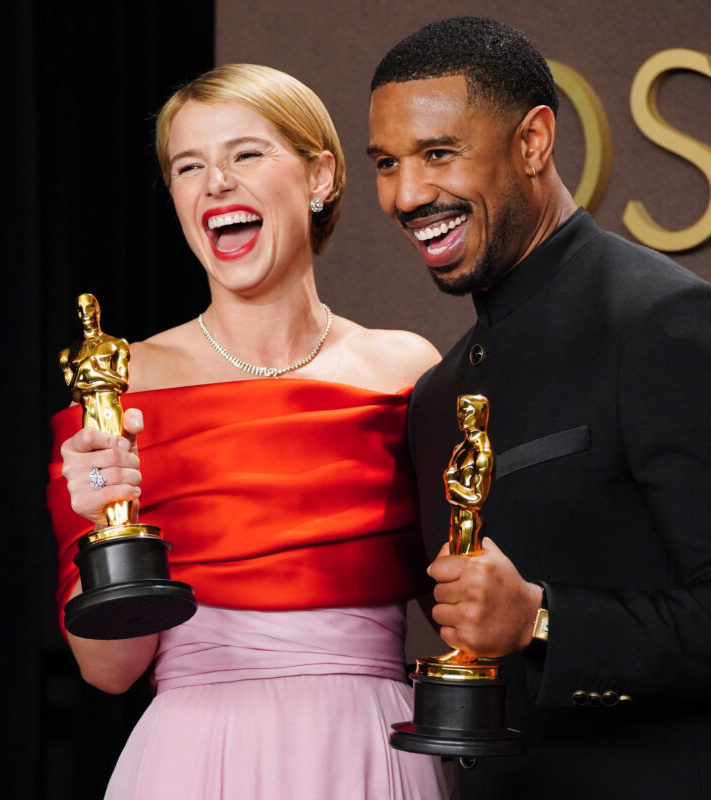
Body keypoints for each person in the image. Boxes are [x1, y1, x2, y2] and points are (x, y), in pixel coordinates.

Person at [366, 17, 711, 800]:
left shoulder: (671, 325)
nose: (407, 195)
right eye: (387, 163)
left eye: (439, 153)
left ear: (533, 142)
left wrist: (541, 619)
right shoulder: (438, 396)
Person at [46, 63, 446, 799]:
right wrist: (102, 515)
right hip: (197, 760)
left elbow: (468, 615)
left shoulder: (406, 370)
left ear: (320, 175)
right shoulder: (122, 385)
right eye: (189, 166)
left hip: (366, 750)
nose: (216, 184)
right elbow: (109, 670)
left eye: (246, 154)